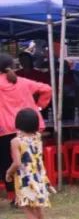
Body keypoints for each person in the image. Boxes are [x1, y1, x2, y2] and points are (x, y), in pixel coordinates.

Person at [0, 53, 52, 202]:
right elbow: (47, 89)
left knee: (7, 163)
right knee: (30, 162)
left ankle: (14, 196)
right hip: (29, 126)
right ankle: (33, 191)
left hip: (5, 129)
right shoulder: (23, 82)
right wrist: (39, 106)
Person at [5, 108, 52, 219]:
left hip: (25, 179)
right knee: (37, 205)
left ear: (17, 123)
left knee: (27, 207)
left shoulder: (16, 141)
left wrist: (9, 172)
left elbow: (18, 162)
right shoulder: (37, 137)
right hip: (38, 176)